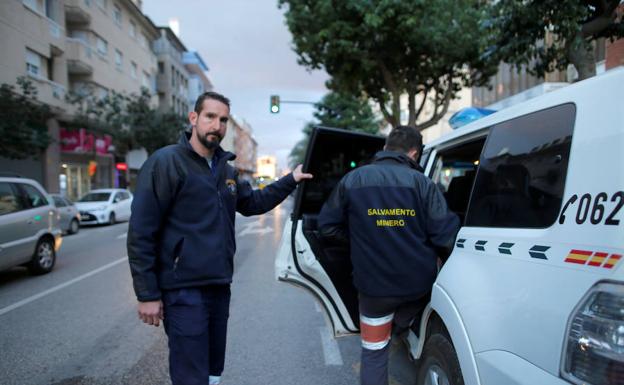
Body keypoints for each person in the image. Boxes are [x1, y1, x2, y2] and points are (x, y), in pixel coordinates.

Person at [127, 91, 312, 385]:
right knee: (191, 376)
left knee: (213, 371)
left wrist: (291, 180)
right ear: (194, 118)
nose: (217, 125)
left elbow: (253, 203)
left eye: (223, 120)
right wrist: (147, 293)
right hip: (182, 289)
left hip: (218, 285)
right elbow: (141, 231)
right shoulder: (166, 162)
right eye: (210, 117)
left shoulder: (226, 169)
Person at [317, 125, 459, 385]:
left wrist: (362, 239)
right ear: (414, 153)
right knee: (410, 319)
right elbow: (446, 237)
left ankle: (394, 330)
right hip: (416, 287)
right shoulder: (423, 184)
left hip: (373, 288)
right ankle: (403, 328)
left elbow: (326, 227)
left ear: (385, 148)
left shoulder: (353, 180)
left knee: (373, 352)